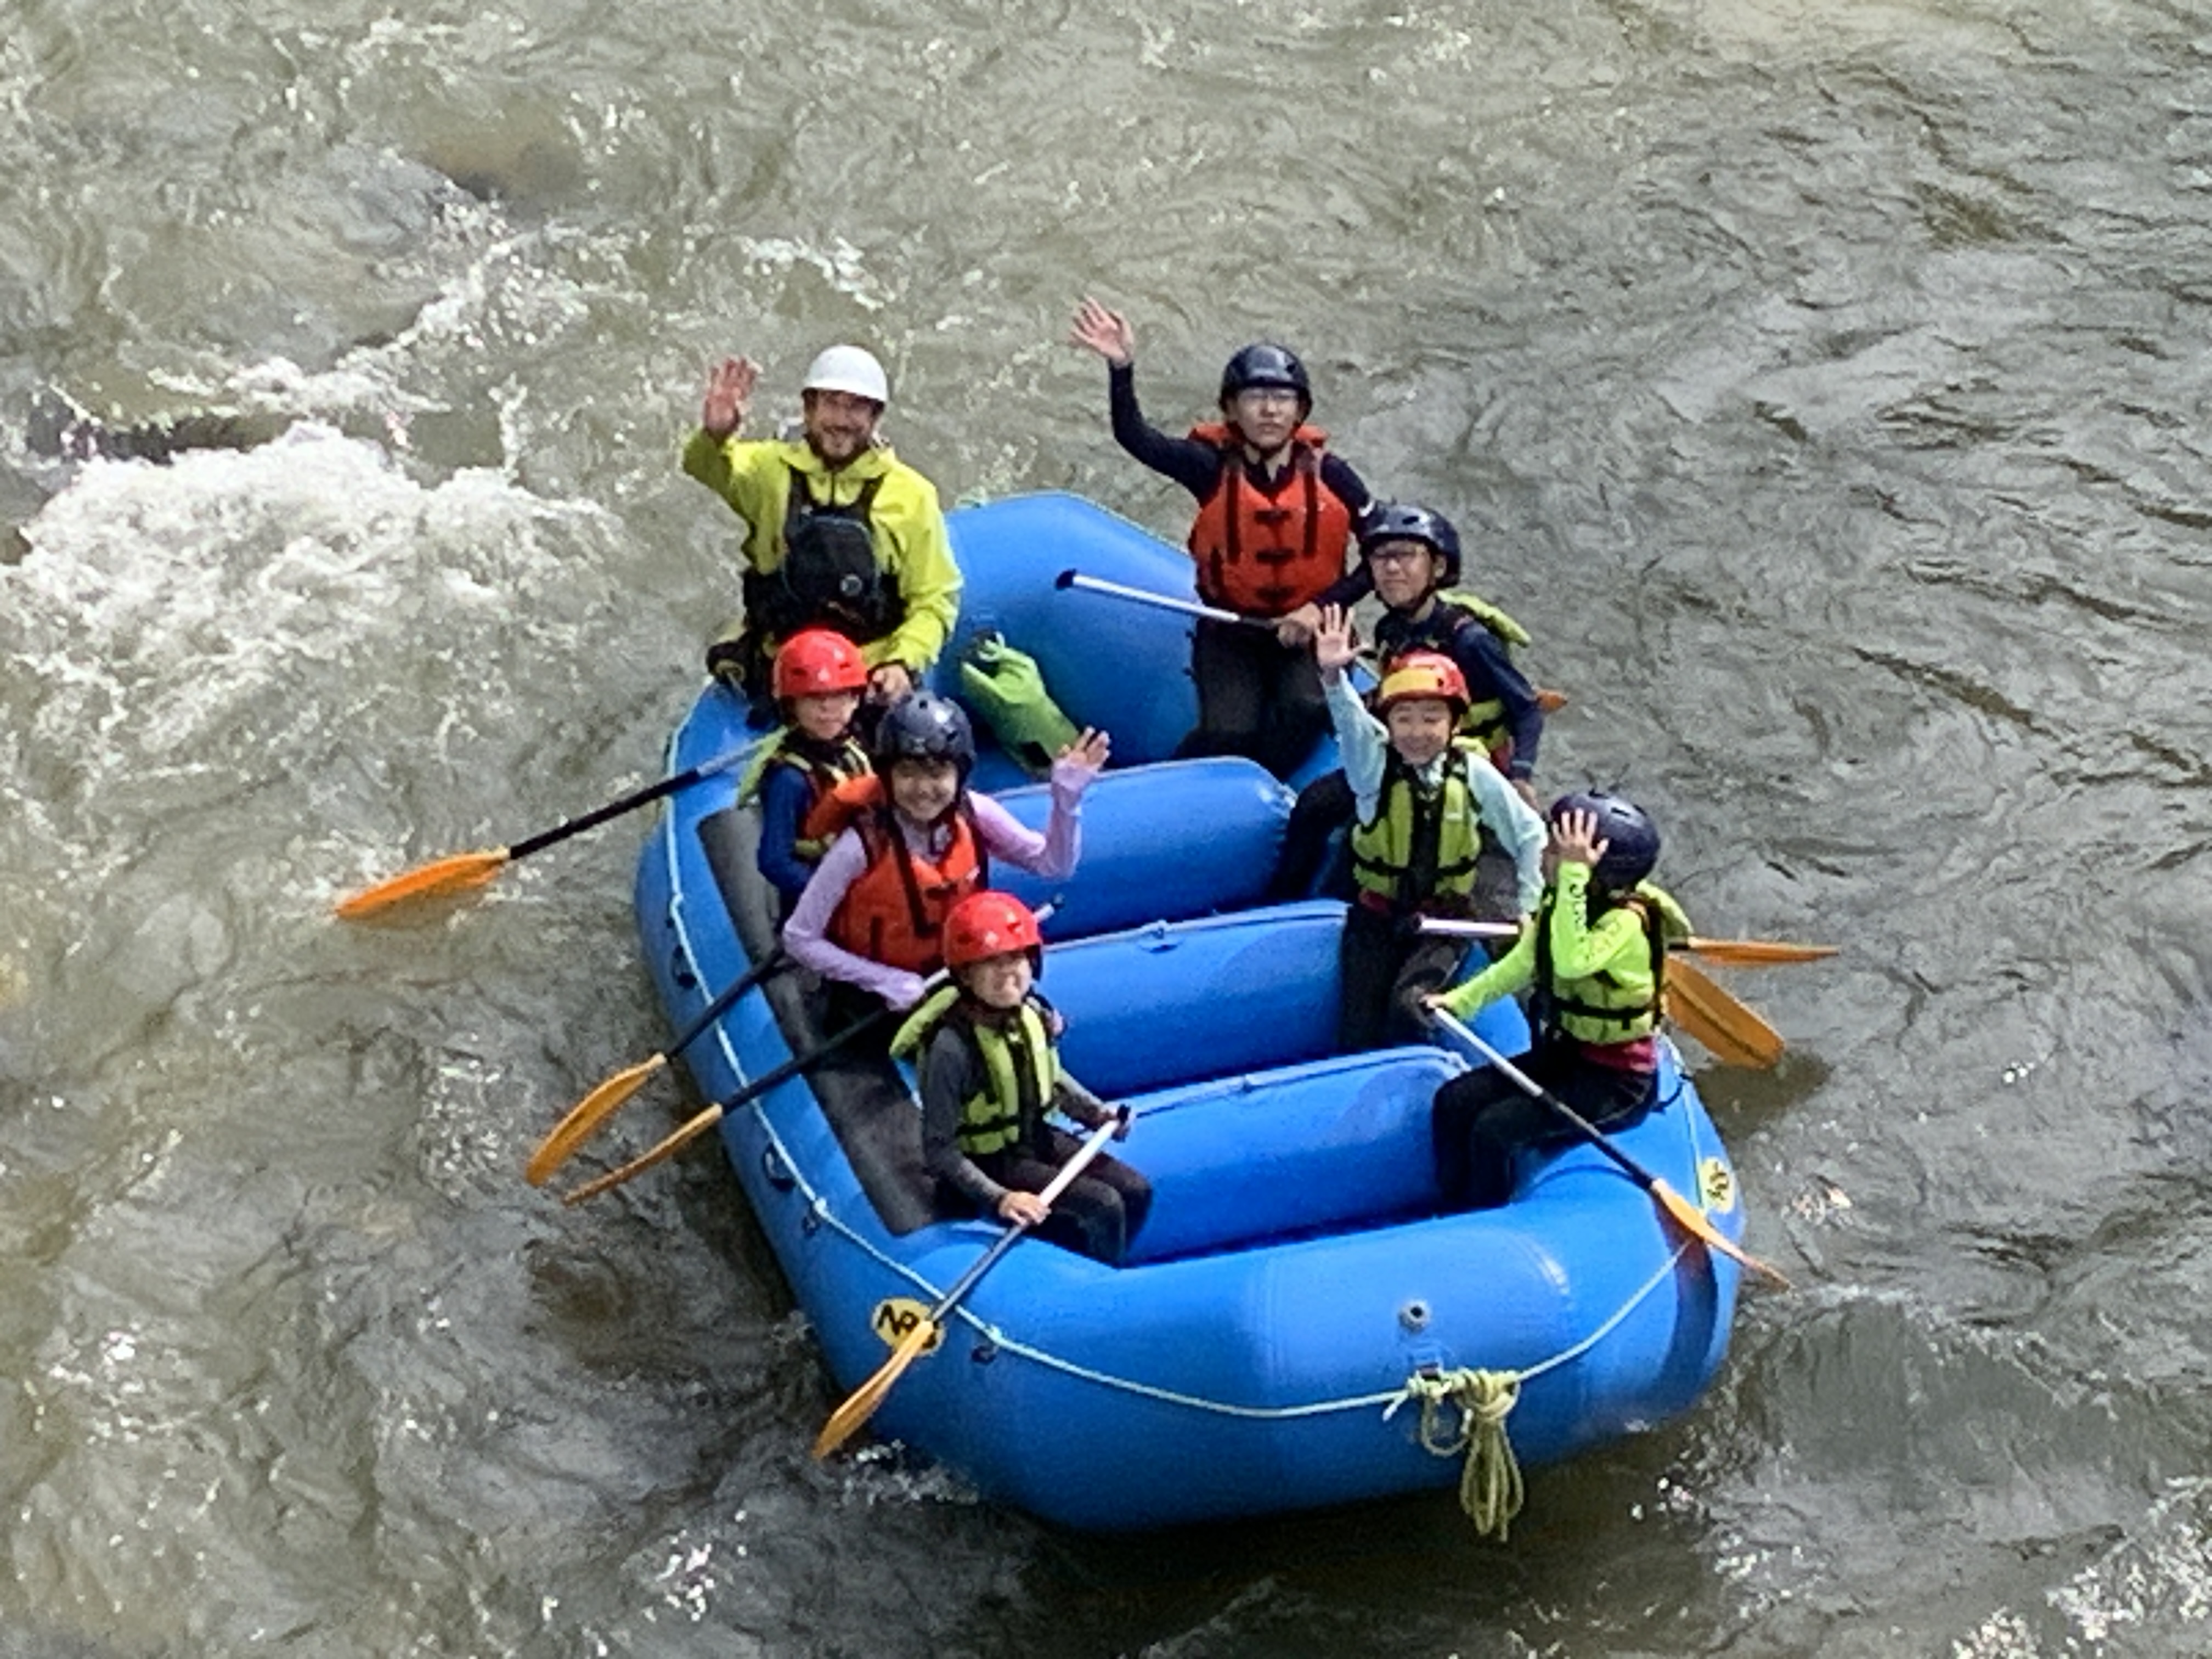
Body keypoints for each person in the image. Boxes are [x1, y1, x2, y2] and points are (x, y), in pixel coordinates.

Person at [1069, 297, 1373, 780]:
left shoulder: (1333, 476)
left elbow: (1381, 555)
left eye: (1282, 399)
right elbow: (1137, 438)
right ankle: (1163, 784)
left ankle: (1262, 789)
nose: (1269, 410)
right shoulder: (1208, 467)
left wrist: (1320, 607)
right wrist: (1122, 369)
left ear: (1299, 410)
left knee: (1306, 707)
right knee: (1229, 730)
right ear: (1232, 409)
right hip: (1232, 628)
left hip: (1312, 629)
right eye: (1255, 398)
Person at [783, 692, 1110, 1040]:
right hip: (876, 997)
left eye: (937, 774)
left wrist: (1066, 801)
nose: (923, 789)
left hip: (960, 977)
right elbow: (799, 937)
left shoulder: (975, 813)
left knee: (1043, 1025)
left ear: (959, 773)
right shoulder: (859, 847)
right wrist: (882, 979)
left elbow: (1054, 866)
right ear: (888, 776)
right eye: (907, 774)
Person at [1424, 792, 1693, 1211]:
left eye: (1555, 850)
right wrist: (1456, 1003)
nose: (1544, 854)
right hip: (1565, 1057)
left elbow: (1570, 961)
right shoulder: (1561, 905)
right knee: (1454, 1100)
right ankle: (1451, 1205)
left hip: (1616, 1083)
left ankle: (1484, 1217)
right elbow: (1520, 965)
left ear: (1595, 872)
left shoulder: (1624, 923)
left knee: (1494, 1130)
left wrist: (1572, 875)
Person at [1269, 501, 1547, 901]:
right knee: (1316, 804)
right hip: (1401, 750)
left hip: (1456, 763)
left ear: (1437, 567)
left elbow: (1527, 708)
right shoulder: (1390, 629)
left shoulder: (1470, 642)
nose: (1391, 568)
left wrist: (1521, 776)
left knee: (1379, 833)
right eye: (1381, 558)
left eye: (1405, 556)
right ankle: (1283, 898)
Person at [1312, 606, 1545, 1053]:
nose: (1417, 732)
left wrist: (1529, 907)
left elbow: (1529, 833)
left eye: (1432, 718)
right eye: (1404, 719)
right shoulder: (1372, 770)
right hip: (1377, 916)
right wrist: (1333, 679)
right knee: (1358, 1027)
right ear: (1388, 724)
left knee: (1409, 1008)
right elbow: (1351, 725)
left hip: (1445, 921)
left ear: (1454, 724)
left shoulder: (1473, 772)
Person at [680, 345, 962, 712]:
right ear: (809, 409)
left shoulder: (911, 495)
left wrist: (902, 661)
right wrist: (716, 435)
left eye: (856, 407)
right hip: (784, 667)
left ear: (875, 416)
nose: (841, 420)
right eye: (831, 403)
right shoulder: (770, 471)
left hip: (865, 676)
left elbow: (934, 600)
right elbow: (705, 466)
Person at [896, 890, 1152, 1265]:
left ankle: (1096, 1258)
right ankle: (1096, 1280)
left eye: (1015, 958)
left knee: (1136, 1191)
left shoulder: (1030, 1014)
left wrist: (1096, 1114)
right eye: (990, 962)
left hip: (1035, 1138)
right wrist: (1000, 1198)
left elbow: (1050, 1076)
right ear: (965, 975)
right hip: (988, 1160)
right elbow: (939, 1150)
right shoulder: (950, 1048)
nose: (1007, 972)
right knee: (1104, 1205)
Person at [740, 628, 873, 913]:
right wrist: (831, 896)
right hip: (813, 896)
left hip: (859, 873)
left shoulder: (853, 751)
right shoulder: (790, 779)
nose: (827, 709)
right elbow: (775, 861)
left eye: (838, 696)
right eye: (813, 698)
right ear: (792, 706)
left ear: (855, 700)